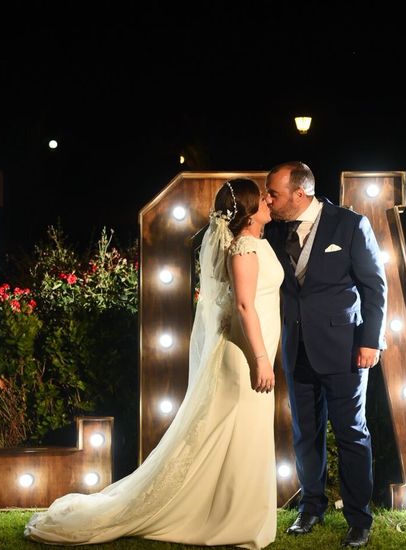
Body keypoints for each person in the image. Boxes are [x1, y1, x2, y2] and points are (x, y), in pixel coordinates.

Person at [24, 179, 282, 549]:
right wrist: (260, 359)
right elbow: (243, 306)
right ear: (247, 209)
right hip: (243, 357)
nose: (269, 202)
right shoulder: (243, 249)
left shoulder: (257, 244)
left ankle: (231, 510)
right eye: (263, 199)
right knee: (233, 434)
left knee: (238, 436)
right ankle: (229, 517)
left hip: (253, 352)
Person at [263, 162, 387, 548]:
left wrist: (371, 340)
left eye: (274, 193)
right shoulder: (273, 229)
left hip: (345, 349)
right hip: (296, 347)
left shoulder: (350, 225)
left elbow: (374, 287)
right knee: (305, 434)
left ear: (300, 194)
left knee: (351, 433)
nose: (270, 200)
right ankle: (311, 507)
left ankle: (358, 518)